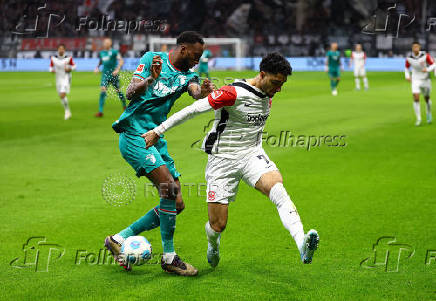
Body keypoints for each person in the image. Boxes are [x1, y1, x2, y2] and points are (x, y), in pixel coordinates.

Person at [143, 52, 320, 268]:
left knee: (278, 191)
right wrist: (158, 131)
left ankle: (302, 243)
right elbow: (193, 109)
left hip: (252, 155)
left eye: (282, 84)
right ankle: (213, 243)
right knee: (218, 224)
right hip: (222, 160)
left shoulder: (268, 92)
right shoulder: (232, 93)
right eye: (275, 83)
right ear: (262, 74)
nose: (278, 89)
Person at [104, 31, 214, 276]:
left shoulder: (188, 75)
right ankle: (169, 258)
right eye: (195, 55)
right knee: (169, 189)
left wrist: (204, 91)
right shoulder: (154, 59)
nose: (197, 60)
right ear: (183, 49)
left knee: (177, 204)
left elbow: (195, 91)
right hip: (134, 133)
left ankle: (119, 238)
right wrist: (150, 81)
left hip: (155, 137)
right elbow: (132, 90)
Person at [94, 38, 126, 117]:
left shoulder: (115, 52)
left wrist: (117, 69)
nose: (106, 44)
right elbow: (101, 61)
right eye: (105, 42)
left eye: (107, 42)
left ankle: (125, 106)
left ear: (110, 43)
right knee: (103, 90)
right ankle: (100, 111)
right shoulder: (102, 53)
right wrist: (97, 67)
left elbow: (121, 60)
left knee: (118, 91)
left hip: (114, 75)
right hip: (105, 75)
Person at [405, 41, 434, 126]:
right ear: (412, 48)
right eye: (414, 47)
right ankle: (418, 119)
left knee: (427, 98)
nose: (415, 48)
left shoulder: (425, 55)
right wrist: (407, 76)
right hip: (415, 79)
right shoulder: (409, 58)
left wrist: (427, 69)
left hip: (425, 79)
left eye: (417, 47)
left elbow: (433, 64)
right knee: (416, 97)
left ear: (419, 48)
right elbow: (406, 68)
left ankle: (428, 113)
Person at [49, 44, 76, 120]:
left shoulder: (68, 58)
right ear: (58, 50)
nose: (61, 50)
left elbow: (74, 66)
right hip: (58, 79)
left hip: (66, 78)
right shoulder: (53, 58)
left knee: (62, 94)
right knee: (61, 96)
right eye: (59, 49)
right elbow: (50, 67)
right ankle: (67, 110)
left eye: (62, 49)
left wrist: (70, 69)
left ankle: (67, 112)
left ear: (64, 50)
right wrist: (52, 70)